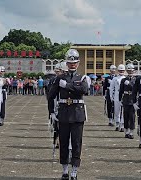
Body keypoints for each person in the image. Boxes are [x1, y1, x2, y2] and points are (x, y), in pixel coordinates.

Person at [48, 49, 88, 180]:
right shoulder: (59, 78)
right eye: (70, 62)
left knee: (76, 143)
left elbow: (84, 90)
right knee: (64, 142)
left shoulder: (82, 77)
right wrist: (52, 112)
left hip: (77, 114)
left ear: (78, 63)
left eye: (75, 62)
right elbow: (51, 96)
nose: (72, 64)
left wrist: (67, 86)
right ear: (66, 62)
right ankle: (65, 170)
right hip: (64, 114)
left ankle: (74, 171)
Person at [119, 63, 136, 139]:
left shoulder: (135, 79)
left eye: (131, 71)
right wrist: (120, 99)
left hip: (132, 99)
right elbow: (121, 91)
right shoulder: (123, 80)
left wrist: (129, 84)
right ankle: (126, 131)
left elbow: (134, 89)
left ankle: (131, 132)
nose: (130, 72)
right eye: (128, 71)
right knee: (125, 115)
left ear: (134, 71)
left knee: (132, 116)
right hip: (125, 99)